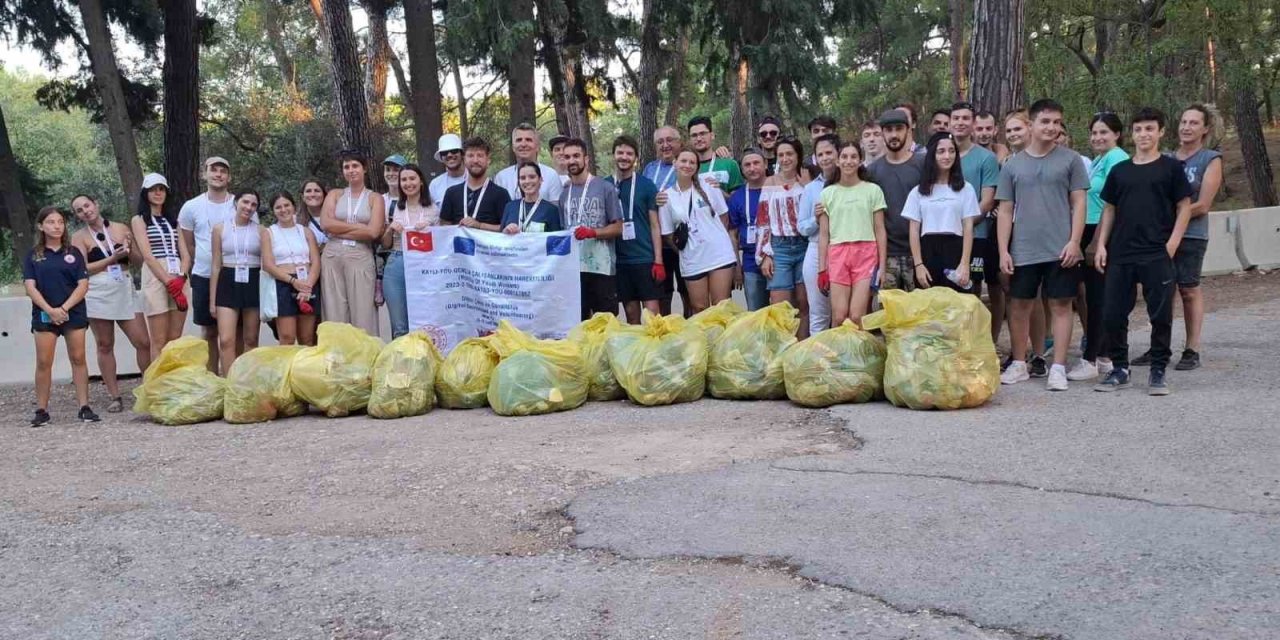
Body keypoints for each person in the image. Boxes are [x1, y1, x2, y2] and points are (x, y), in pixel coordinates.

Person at [1094, 107, 1193, 395]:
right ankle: (1120, 368)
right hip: (1120, 253)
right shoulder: (1119, 170)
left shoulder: (1171, 168)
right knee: (1112, 313)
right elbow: (1109, 208)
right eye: (1138, 129)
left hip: (1156, 252)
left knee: (1160, 314)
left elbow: (1184, 206)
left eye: (1150, 129)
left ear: (1161, 131)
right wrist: (1101, 244)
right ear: (1131, 134)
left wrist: (1172, 244)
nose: (1144, 134)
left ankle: (1158, 368)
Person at [996, 98, 1089, 391]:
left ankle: (1058, 367)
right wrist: (1003, 250)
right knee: (1019, 305)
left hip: (1061, 248)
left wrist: (1075, 242)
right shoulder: (1013, 166)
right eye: (1045, 121)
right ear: (1031, 124)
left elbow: (1079, 202)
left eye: (1057, 122)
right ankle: (1020, 364)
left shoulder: (1071, 160)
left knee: (1061, 305)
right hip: (1023, 249)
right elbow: (1006, 210)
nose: (1051, 127)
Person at [1130, 104, 1223, 371]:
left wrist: (1173, 215)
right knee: (1160, 291)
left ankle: (1192, 349)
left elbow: (1203, 204)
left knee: (1188, 289)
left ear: (1205, 128)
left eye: (1194, 123)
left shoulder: (1210, 159)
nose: (1186, 127)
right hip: (1160, 236)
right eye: (1183, 121)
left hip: (1192, 235)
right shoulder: (1167, 158)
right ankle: (1159, 346)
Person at [70, 195, 151, 413]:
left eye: (87, 205)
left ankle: (148, 388)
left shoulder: (120, 228)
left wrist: (130, 248)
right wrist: (111, 258)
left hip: (124, 287)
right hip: (98, 293)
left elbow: (138, 261)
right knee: (105, 344)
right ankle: (115, 395)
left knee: (143, 342)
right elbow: (82, 269)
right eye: (79, 210)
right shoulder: (79, 237)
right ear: (77, 216)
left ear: (96, 204)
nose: (85, 211)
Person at [24, 206, 100, 426]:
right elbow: (30, 286)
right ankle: (41, 410)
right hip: (44, 314)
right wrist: (50, 310)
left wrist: (64, 308)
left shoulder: (73, 253)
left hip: (73, 313)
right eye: (50, 222)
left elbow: (82, 284)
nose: (56, 226)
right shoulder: (33, 255)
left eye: (60, 222)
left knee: (78, 358)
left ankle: (84, 407)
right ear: (41, 226)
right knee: (43, 361)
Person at [1070, 112, 1128, 381]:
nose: (1097, 137)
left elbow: (1112, 201)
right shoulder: (1097, 160)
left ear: (1116, 134)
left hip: (1102, 233)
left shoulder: (1117, 158)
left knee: (1098, 299)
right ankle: (1104, 356)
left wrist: (1097, 241)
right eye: (1094, 133)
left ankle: (1091, 358)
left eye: (1104, 132)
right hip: (1089, 229)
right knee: (1096, 296)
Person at [659, 149, 738, 314]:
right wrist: (685, 250)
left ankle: (722, 340)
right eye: (683, 161)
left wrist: (714, 238)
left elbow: (723, 217)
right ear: (675, 163)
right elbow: (667, 234)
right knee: (699, 308)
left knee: (720, 306)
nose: (687, 165)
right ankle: (705, 340)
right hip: (692, 259)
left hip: (718, 255)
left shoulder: (708, 185)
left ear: (697, 167)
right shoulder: (666, 197)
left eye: (692, 162)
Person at [949, 102, 1003, 340]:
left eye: (965, 118)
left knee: (971, 289)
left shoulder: (986, 159)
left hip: (977, 235)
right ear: (950, 122)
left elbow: (988, 200)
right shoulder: (943, 153)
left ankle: (980, 344)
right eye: (956, 118)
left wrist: (965, 225)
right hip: (943, 237)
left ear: (972, 124)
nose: (960, 122)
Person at [178, 156, 236, 373]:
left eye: (223, 171)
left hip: (233, 275)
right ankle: (211, 379)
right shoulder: (191, 207)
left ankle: (235, 380)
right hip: (203, 275)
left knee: (234, 333)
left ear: (229, 177)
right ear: (205, 173)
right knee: (209, 331)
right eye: (214, 170)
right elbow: (188, 243)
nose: (218, 174)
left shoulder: (238, 204)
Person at [819, 140, 887, 328]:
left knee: (857, 316)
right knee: (839, 316)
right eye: (844, 157)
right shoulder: (828, 193)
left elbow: (880, 229)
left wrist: (882, 266)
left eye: (853, 156)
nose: (849, 161)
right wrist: (821, 268)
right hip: (838, 253)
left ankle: (859, 356)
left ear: (861, 160)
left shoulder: (872, 190)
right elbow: (824, 234)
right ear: (838, 161)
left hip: (865, 253)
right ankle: (838, 356)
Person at [904, 132, 981, 294]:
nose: (947, 156)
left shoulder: (966, 189)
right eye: (941, 151)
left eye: (951, 151)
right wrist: (918, 265)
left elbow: (968, 227)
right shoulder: (918, 192)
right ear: (932, 155)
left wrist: (965, 263)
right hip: (928, 253)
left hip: (956, 251)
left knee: (956, 310)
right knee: (928, 311)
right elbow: (914, 230)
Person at [320, 150, 385, 337]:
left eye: (355, 166)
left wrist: (338, 229)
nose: (351, 170)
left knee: (363, 313)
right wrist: (357, 227)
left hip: (360, 256)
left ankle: (366, 359)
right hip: (332, 256)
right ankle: (337, 360)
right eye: (346, 167)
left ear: (364, 169)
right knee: (334, 312)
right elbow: (326, 223)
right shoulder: (335, 194)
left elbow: (373, 232)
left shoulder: (374, 198)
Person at [559, 138, 624, 319]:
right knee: (578, 322)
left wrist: (593, 232)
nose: (572, 161)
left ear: (586, 159)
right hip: (573, 270)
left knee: (605, 324)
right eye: (567, 157)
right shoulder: (564, 194)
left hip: (601, 268)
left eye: (576, 156)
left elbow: (618, 228)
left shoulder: (605, 188)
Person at [605, 135, 665, 323]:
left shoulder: (646, 185)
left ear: (636, 158)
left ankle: (654, 352)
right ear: (613, 155)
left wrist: (658, 260)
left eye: (629, 153)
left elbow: (655, 225)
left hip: (644, 257)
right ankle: (638, 353)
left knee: (652, 315)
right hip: (619, 261)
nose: (624, 157)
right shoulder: (605, 185)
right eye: (620, 152)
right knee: (631, 315)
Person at [132, 173, 191, 361]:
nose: (158, 193)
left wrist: (181, 277)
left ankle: (171, 382)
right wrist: (168, 281)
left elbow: (185, 254)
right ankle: (157, 386)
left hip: (178, 274)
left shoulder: (174, 220)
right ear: (145, 193)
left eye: (161, 189)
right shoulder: (139, 219)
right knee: (158, 340)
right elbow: (148, 256)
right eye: (153, 189)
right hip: (156, 274)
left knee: (174, 339)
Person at [867, 109, 927, 292]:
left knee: (920, 314)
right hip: (887, 254)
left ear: (908, 131)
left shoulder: (923, 164)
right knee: (889, 314)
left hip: (919, 254)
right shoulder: (872, 171)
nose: (894, 134)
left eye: (899, 129)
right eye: (888, 129)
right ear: (883, 133)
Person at [757, 137, 811, 337]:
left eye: (790, 154)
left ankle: (802, 348)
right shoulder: (770, 182)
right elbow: (762, 221)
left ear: (798, 155)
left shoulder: (807, 180)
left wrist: (806, 186)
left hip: (804, 246)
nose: (785, 158)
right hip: (779, 247)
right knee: (780, 307)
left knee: (804, 304)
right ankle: (783, 352)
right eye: (781, 155)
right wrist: (765, 254)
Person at [381, 164, 439, 339]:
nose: (408, 183)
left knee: (423, 321)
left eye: (412, 178)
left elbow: (441, 242)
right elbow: (385, 245)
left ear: (421, 182)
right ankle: (401, 364)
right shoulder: (393, 208)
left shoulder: (433, 209)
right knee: (399, 325)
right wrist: (390, 229)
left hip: (424, 265)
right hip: (397, 262)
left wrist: (431, 229)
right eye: (404, 180)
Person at [209, 190, 263, 375]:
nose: (248, 207)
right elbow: (215, 265)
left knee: (251, 338)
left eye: (253, 205)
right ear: (236, 202)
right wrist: (212, 300)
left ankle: (248, 383)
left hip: (253, 280)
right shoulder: (219, 229)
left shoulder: (261, 231)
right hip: (227, 281)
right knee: (226, 339)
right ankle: (230, 384)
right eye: (245, 202)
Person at [262, 192, 321, 346]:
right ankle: (285, 369)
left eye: (286, 205)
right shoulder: (269, 233)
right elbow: (268, 264)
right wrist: (293, 281)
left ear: (294, 207)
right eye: (278, 207)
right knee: (287, 337)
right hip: (284, 284)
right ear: (273, 211)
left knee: (307, 338)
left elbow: (315, 261)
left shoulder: (306, 231)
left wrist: (308, 285)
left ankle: (304, 370)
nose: (283, 210)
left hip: (308, 283)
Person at [643, 125, 691, 316]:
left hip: (680, 240)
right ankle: (666, 333)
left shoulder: (687, 166)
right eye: (660, 142)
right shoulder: (649, 168)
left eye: (669, 140)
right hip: (655, 243)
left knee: (687, 289)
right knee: (662, 293)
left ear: (679, 142)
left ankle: (691, 329)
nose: (665, 145)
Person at [798, 133, 840, 334]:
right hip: (816, 251)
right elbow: (802, 227)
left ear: (838, 153)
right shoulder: (811, 189)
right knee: (818, 313)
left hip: (845, 249)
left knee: (842, 312)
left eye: (829, 152)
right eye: (820, 154)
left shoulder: (853, 183)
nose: (825, 158)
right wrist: (816, 219)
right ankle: (818, 360)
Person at [727, 149, 769, 311]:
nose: (752, 168)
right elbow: (733, 234)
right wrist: (737, 267)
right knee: (756, 312)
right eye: (747, 165)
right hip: (751, 261)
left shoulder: (777, 189)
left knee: (783, 310)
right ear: (742, 170)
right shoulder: (737, 197)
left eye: (756, 163)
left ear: (765, 164)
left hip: (779, 257)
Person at [440, 137, 509, 231]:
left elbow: (506, 228)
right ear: (464, 159)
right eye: (470, 156)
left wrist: (480, 225)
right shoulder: (451, 193)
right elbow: (444, 227)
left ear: (488, 160)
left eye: (480, 155)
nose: (475, 160)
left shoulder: (501, 194)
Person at [494, 123, 565, 202]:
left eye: (528, 140)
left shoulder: (551, 175)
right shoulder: (502, 178)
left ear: (537, 146)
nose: (523, 144)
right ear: (513, 147)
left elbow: (556, 210)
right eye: (519, 140)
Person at [688, 116, 743, 195]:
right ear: (690, 139)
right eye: (694, 135)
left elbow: (738, 202)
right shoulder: (687, 167)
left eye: (703, 133)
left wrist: (719, 193)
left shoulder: (729, 164)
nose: (699, 138)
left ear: (712, 135)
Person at [501, 162, 563, 233]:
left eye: (532, 177)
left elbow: (555, 240)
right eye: (523, 178)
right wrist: (505, 232)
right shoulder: (510, 207)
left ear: (540, 180)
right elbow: (500, 238)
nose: (527, 181)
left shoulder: (551, 210)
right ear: (518, 182)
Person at [428, 134, 467, 206]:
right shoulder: (435, 185)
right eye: (444, 152)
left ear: (462, 154)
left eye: (454, 151)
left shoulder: (475, 179)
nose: (449, 155)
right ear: (441, 157)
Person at [298, 179, 330, 249]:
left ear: (324, 195)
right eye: (308, 191)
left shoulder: (336, 216)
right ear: (302, 197)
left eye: (317, 191)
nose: (313, 194)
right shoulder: (296, 222)